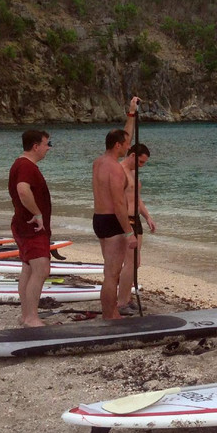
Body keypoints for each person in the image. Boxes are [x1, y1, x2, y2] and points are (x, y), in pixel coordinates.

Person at [91, 97, 140, 321]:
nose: (130, 146)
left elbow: (125, 135)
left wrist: (131, 113)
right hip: (112, 221)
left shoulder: (99, 162)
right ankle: (111, 314)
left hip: (99, 219)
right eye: (126, 144)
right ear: (117, 146)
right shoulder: (116, 170)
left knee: (109, 270)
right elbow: (119, 203)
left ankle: (109, 312)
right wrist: (129, 233)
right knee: (112, 273)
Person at [8, 130, 52, 327]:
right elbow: (22, 190)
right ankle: (31, 317)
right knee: (41, 269)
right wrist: (38, 214)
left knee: (28, 269)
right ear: (36, 146)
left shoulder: (21, 164)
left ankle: (26, 315)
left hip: (24, 225)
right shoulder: (26, 166)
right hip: (31, 227)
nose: (48, 148)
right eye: (46, 144)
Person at [117, 143, 157, 313]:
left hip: (137, 219)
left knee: (136, 262)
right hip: (125, 220)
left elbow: (137, 198)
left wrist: (147, 216)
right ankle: (121, 303)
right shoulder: (119, 171)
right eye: (140, 162)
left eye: (144, 163)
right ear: (132, 155)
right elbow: (116, 200)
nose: (141, 166)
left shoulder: (134, 173)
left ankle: (127, 298)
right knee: (130, 262)